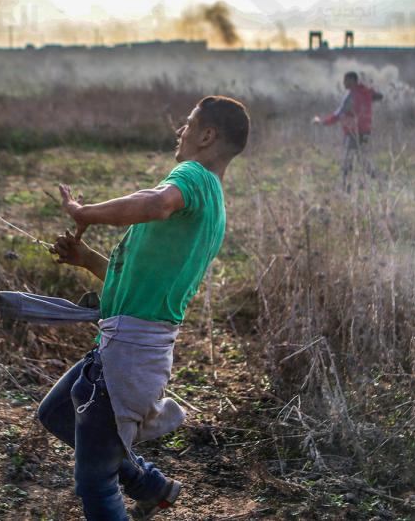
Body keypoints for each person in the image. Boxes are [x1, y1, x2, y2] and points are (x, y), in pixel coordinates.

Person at [38, 95, 250, 520]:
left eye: (188, 124)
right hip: (127, 347)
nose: (180, 131)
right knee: (57, 413)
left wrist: (84, 212)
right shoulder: (209, 203)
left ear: (207, 136)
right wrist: (86, 259)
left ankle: (143, 484)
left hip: (129, 353)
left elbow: (155, 201)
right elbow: (139, 281)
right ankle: (152, 486)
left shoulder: (194, 176)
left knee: (95, 481)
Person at [312, 71, 383, 188]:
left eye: (346, 80)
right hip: (366, 131)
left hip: (352, 132)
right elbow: (380, 96)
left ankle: (345, 187)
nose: (344, 83)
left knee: (347, 160)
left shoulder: (350, 96)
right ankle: (379, 180)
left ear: (353, 81)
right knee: (362, 158)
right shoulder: (367, 92)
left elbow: (337, 115)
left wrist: (322, 122)